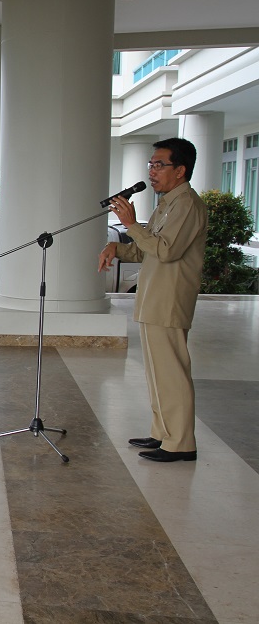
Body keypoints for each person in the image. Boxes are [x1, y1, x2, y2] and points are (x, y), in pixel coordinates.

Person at [98, 137, 208, 463]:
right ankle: (163, 433)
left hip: (169, 299)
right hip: (154, 298)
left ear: (180, 170)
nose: (152, 171)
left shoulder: (187, 204)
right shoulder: (168, 203)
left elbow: (166, 250)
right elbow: (148, 249)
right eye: (151, 164)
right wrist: (117, 247)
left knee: (171, 371)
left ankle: (181, 442)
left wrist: (131, 225)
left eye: (159, 165)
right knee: (158, 372)